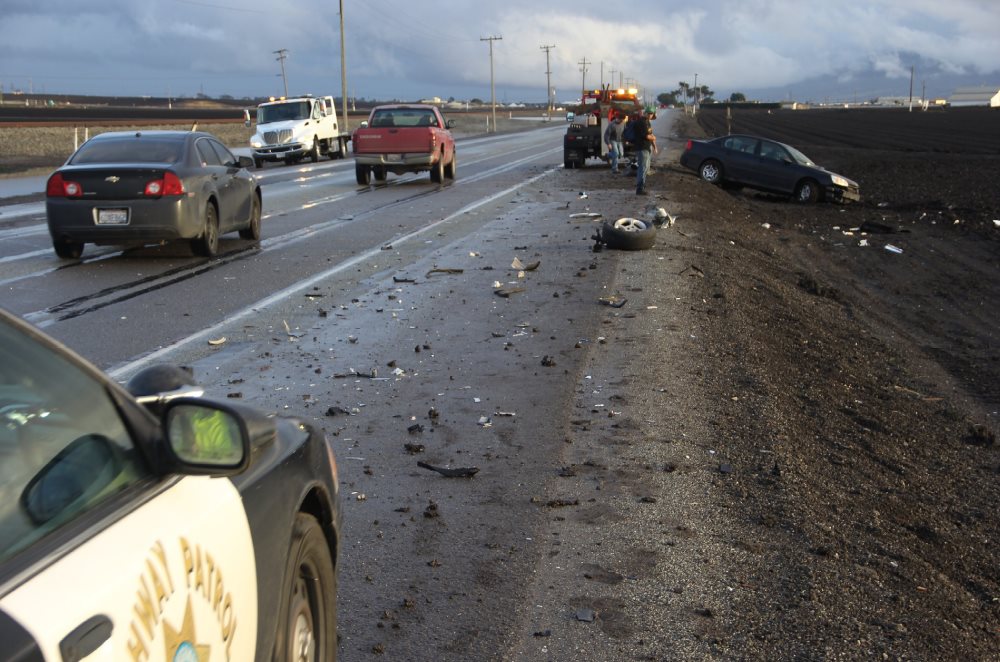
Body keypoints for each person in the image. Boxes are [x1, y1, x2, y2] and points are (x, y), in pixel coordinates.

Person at [631, 109, 657, 195]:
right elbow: (647, 136)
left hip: (647, 147)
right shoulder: (641, 122)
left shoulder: (647, 122)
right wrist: (653, 138)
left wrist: (654, 146)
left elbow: (651, 134)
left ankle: (642, 186)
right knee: (642, 168)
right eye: (649, 113)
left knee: (645, 168)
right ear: (645, 113)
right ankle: (639, 188)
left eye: (651, 114)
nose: (650, 115)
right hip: (642, 147)